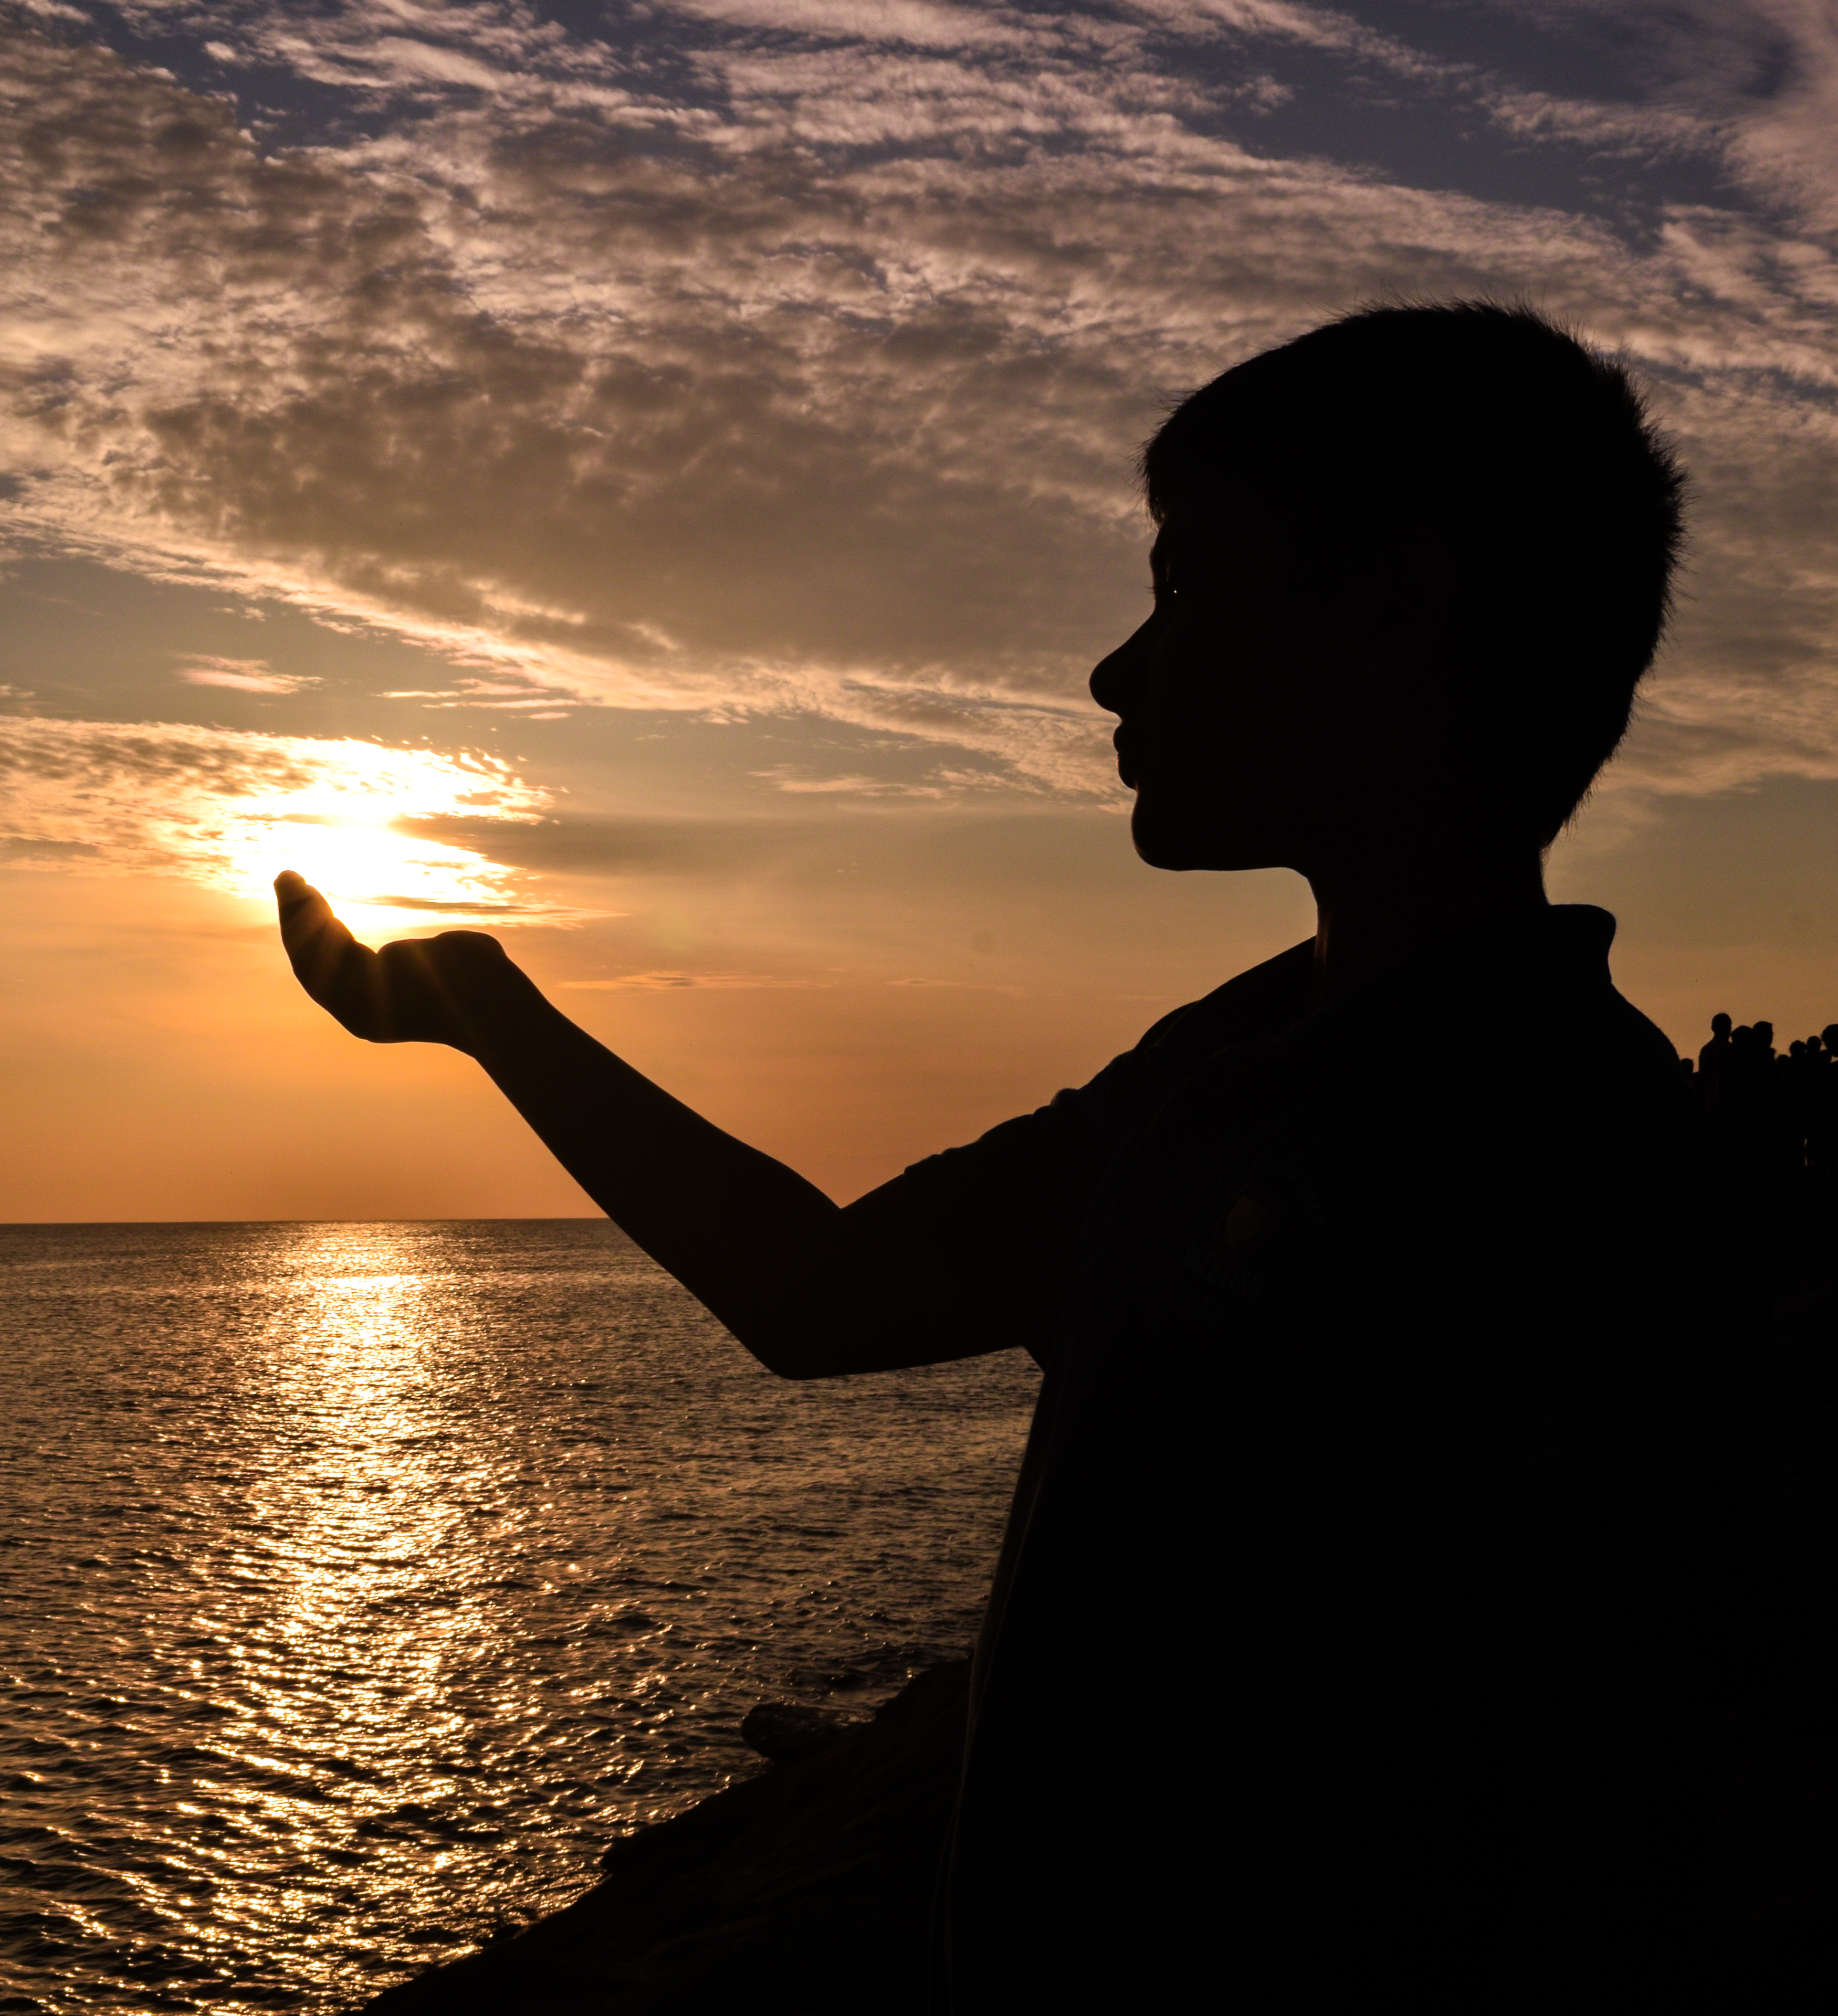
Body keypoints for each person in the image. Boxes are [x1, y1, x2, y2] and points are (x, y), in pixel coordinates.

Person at [275, 301, 1760, 2008]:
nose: (1118, 669)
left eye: (1187, 587)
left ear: (1397, 637)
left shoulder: (1570, 1146)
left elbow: (1610, 1834)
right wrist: (495, 1018)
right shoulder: (1224, 1064)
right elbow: (819, 1293)